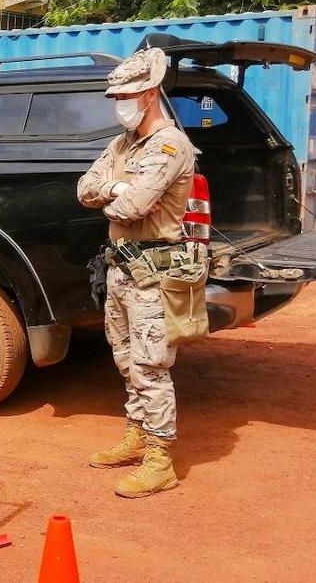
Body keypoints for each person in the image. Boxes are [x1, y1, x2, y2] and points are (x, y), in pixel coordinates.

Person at [76, 47, 198, 499]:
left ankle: (160, 459)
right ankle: (137, 434)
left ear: (148, 94)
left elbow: (133, 207)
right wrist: (113, 185)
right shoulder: (123, 145)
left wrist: (115, 193)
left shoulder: (170, 145)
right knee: (125, 358)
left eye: (124, 95)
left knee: (151, 366)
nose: (117, 103)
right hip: (120, 268)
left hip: (153, 271)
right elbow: (84, 188)